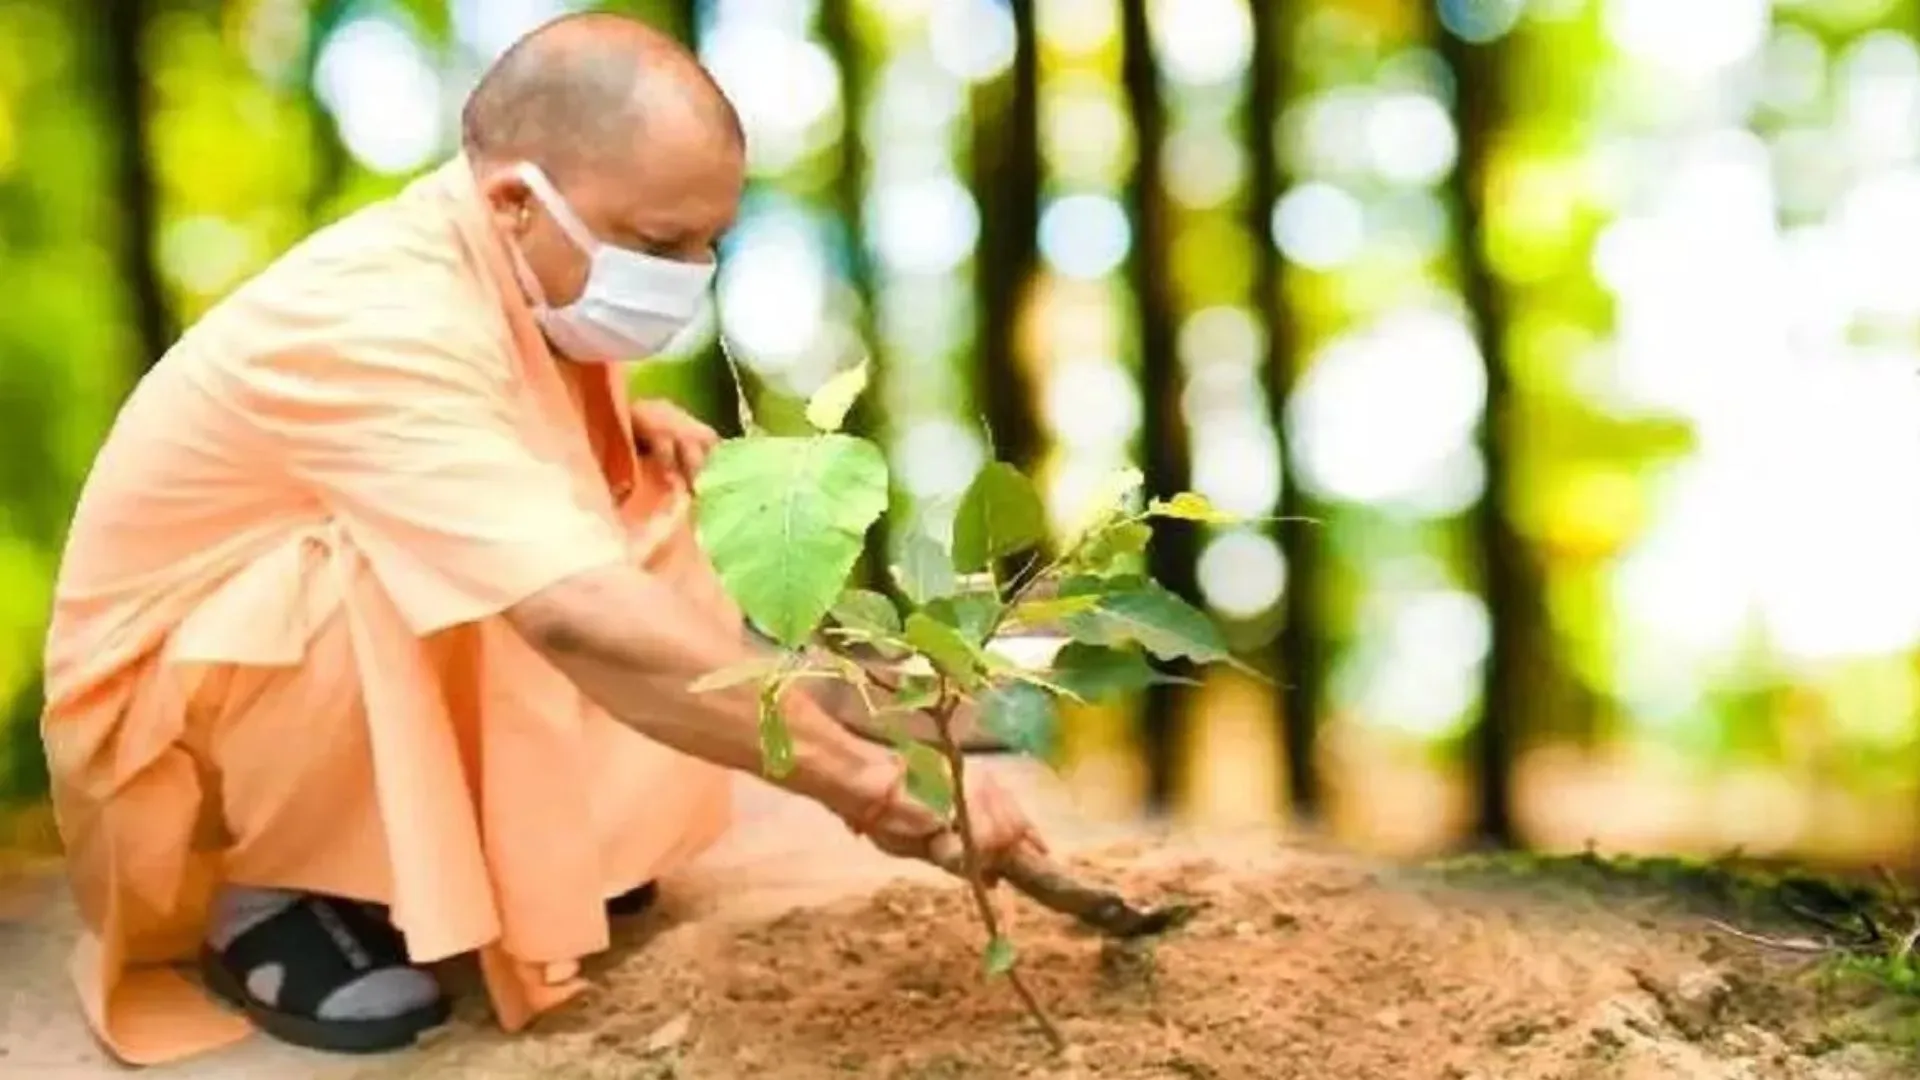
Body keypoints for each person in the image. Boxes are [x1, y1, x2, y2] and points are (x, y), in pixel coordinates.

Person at [40, 12, 1046, 1066]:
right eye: (658, 246)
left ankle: (517, 849)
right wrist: (873, 783)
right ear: (517, 199)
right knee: (461, 573)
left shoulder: (508, 278)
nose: (688, 273)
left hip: (284, 646)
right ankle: (271, 889)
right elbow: (568, 610)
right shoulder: (382, 315)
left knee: (642, 491)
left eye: (710, 243)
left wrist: (613, 435)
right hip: (180, 714)